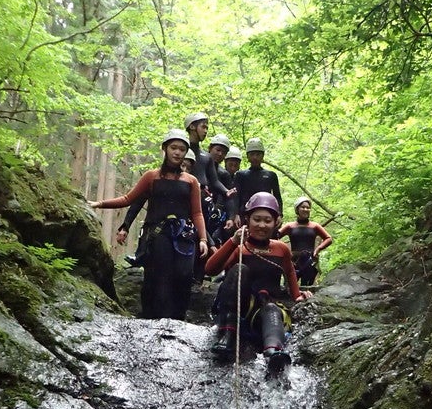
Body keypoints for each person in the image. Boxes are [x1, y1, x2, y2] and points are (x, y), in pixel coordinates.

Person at [89, 129, 208, 320]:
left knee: (184, 276)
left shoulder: (191, 181)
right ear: (165, 149)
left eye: (182, 149)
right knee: (161, 275)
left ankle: (178, 320)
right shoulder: (151, 177)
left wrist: (202, 238)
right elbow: (129, 199)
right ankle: (157, 318)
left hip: (184, 235)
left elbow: (197, 212)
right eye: (173, 148)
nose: (177, 153)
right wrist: (100, 204)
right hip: (158, 234)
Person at [205, 193, 311, 374]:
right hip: (239, 308)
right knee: (240, 269)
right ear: (248, 219)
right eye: (257, 219)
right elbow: (211, 269)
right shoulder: (239, 247)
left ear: (276, 222)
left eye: (267, 220)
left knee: (271, 309)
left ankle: (273, 353)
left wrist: (299, 296)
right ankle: (228, 335)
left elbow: (290, 274)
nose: (262, 225)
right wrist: (232, 242)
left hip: (264, 309)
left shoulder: (281, 249)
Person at [279, 196, 333, 287]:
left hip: (310, 260)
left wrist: (318, 249)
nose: (305, 209)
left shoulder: (315, 226)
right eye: (303, 207)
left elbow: (328, 238)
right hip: (294, 261)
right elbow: (275, 237)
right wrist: (283, 252)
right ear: (297, 209)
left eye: (308, 207)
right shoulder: (290, 226)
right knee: (289, 287)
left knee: (308, 287)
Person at [227, 138, 283, 226]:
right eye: (252, 154)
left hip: (265, 213)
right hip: (244, 214)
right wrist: (235, 215)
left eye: (258, 154)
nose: (255, 157)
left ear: (262, 156)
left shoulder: (271, 175)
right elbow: (236, 197)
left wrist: (279, 214)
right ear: (248, 157)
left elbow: (277, 197)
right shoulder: (241, 175)